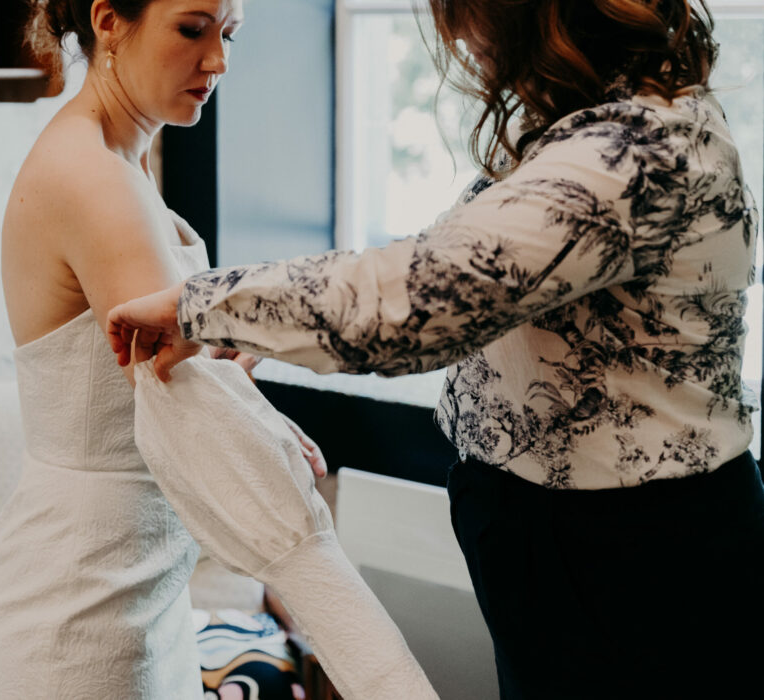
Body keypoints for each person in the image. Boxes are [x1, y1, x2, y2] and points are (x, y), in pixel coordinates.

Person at [107, 1, 764, 698]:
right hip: (587, 549)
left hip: (639, 560)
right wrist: (262, 328)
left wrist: (205, 307)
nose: (461, 39)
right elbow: (448, 263)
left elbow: (425, 300)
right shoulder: (600, 121)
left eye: (466, 13)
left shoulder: (631, 152)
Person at [0, 1, 438, 697]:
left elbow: (167, 376)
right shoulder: (91, 176)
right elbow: (196, 418)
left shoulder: (123, 159)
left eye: (230, 35)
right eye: (193, 29)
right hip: (80, 603)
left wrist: (250, 400)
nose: (218, 61)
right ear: (108, 21)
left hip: (143, 585)